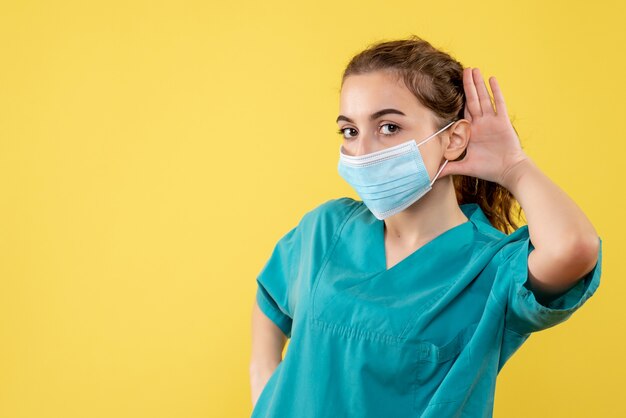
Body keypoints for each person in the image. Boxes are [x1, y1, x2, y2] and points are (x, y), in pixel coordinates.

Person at [249, 35, 602, 417]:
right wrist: (268, 402)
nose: (362, 151)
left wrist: (513, 168)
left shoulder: (490, 268)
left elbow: (575, 247)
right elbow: (270, 301)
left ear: (453, 139)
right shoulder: (327, 229)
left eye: (388, 128)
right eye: (350, 131)